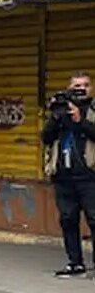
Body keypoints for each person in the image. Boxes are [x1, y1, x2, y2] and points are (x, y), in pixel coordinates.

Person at [40, 70, 95, 277]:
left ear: (91, 87)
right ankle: (75, 262)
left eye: (85, 85)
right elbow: (45, 137)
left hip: (90, 176)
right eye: (75, 86)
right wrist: (56, 117)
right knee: (67, 219)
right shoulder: (61, 109)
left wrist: (80, 120)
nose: (80, 90)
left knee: (94, 220)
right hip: (64, 177)